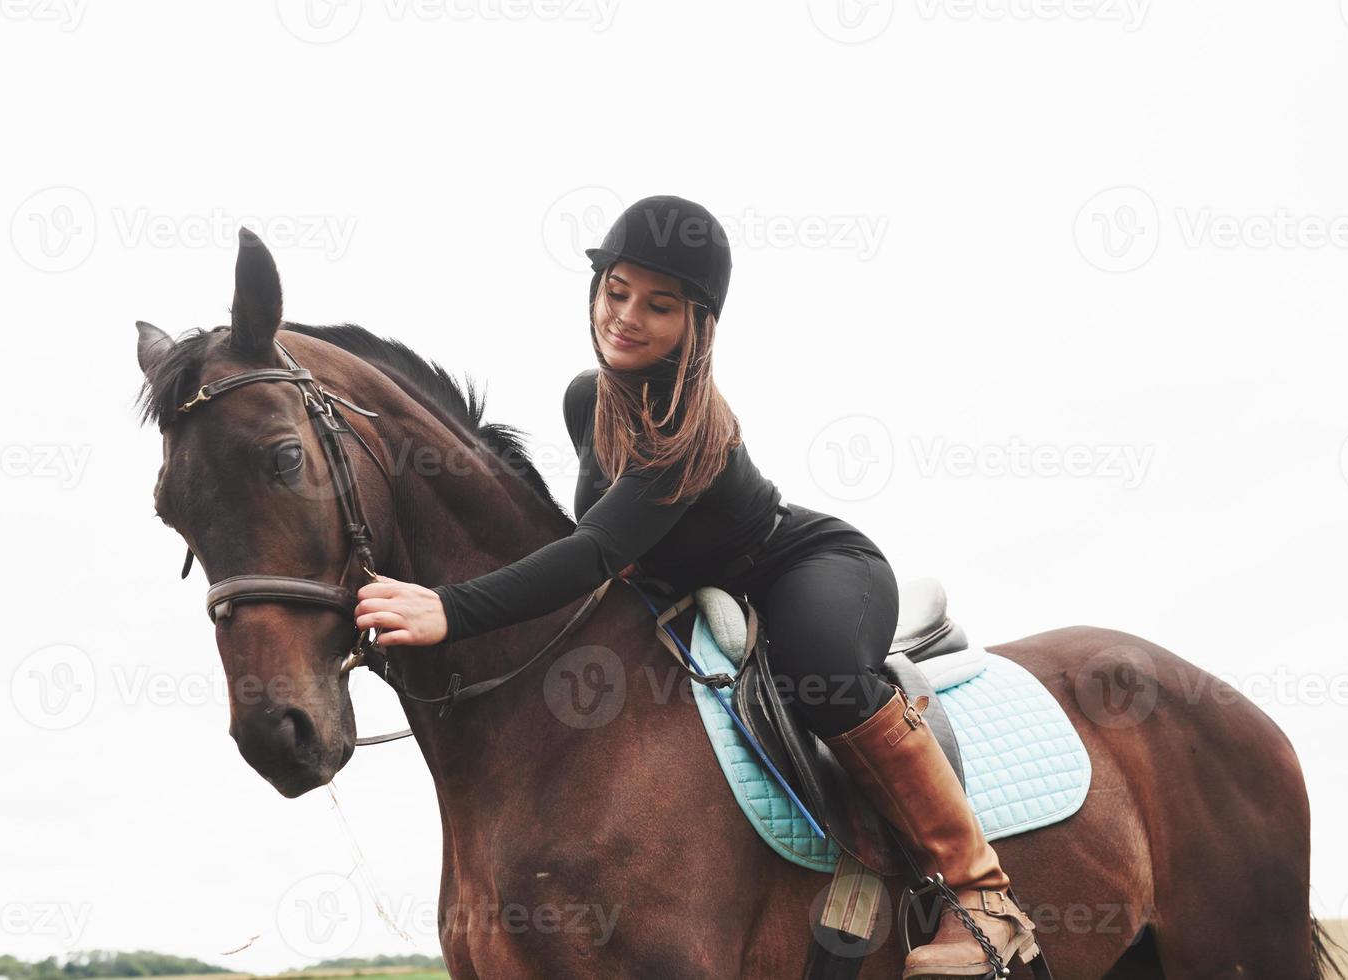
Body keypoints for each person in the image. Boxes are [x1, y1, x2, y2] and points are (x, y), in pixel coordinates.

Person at [353, 195, 1035, 978]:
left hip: (807, 566)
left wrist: (449, 607)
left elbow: (595, 550)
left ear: (698, 324)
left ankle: (983, 896)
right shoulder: (590, 396)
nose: (628, 316)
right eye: (616, 292)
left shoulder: (691, 430)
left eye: (660, 304)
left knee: (823, 671)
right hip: (701, 591)